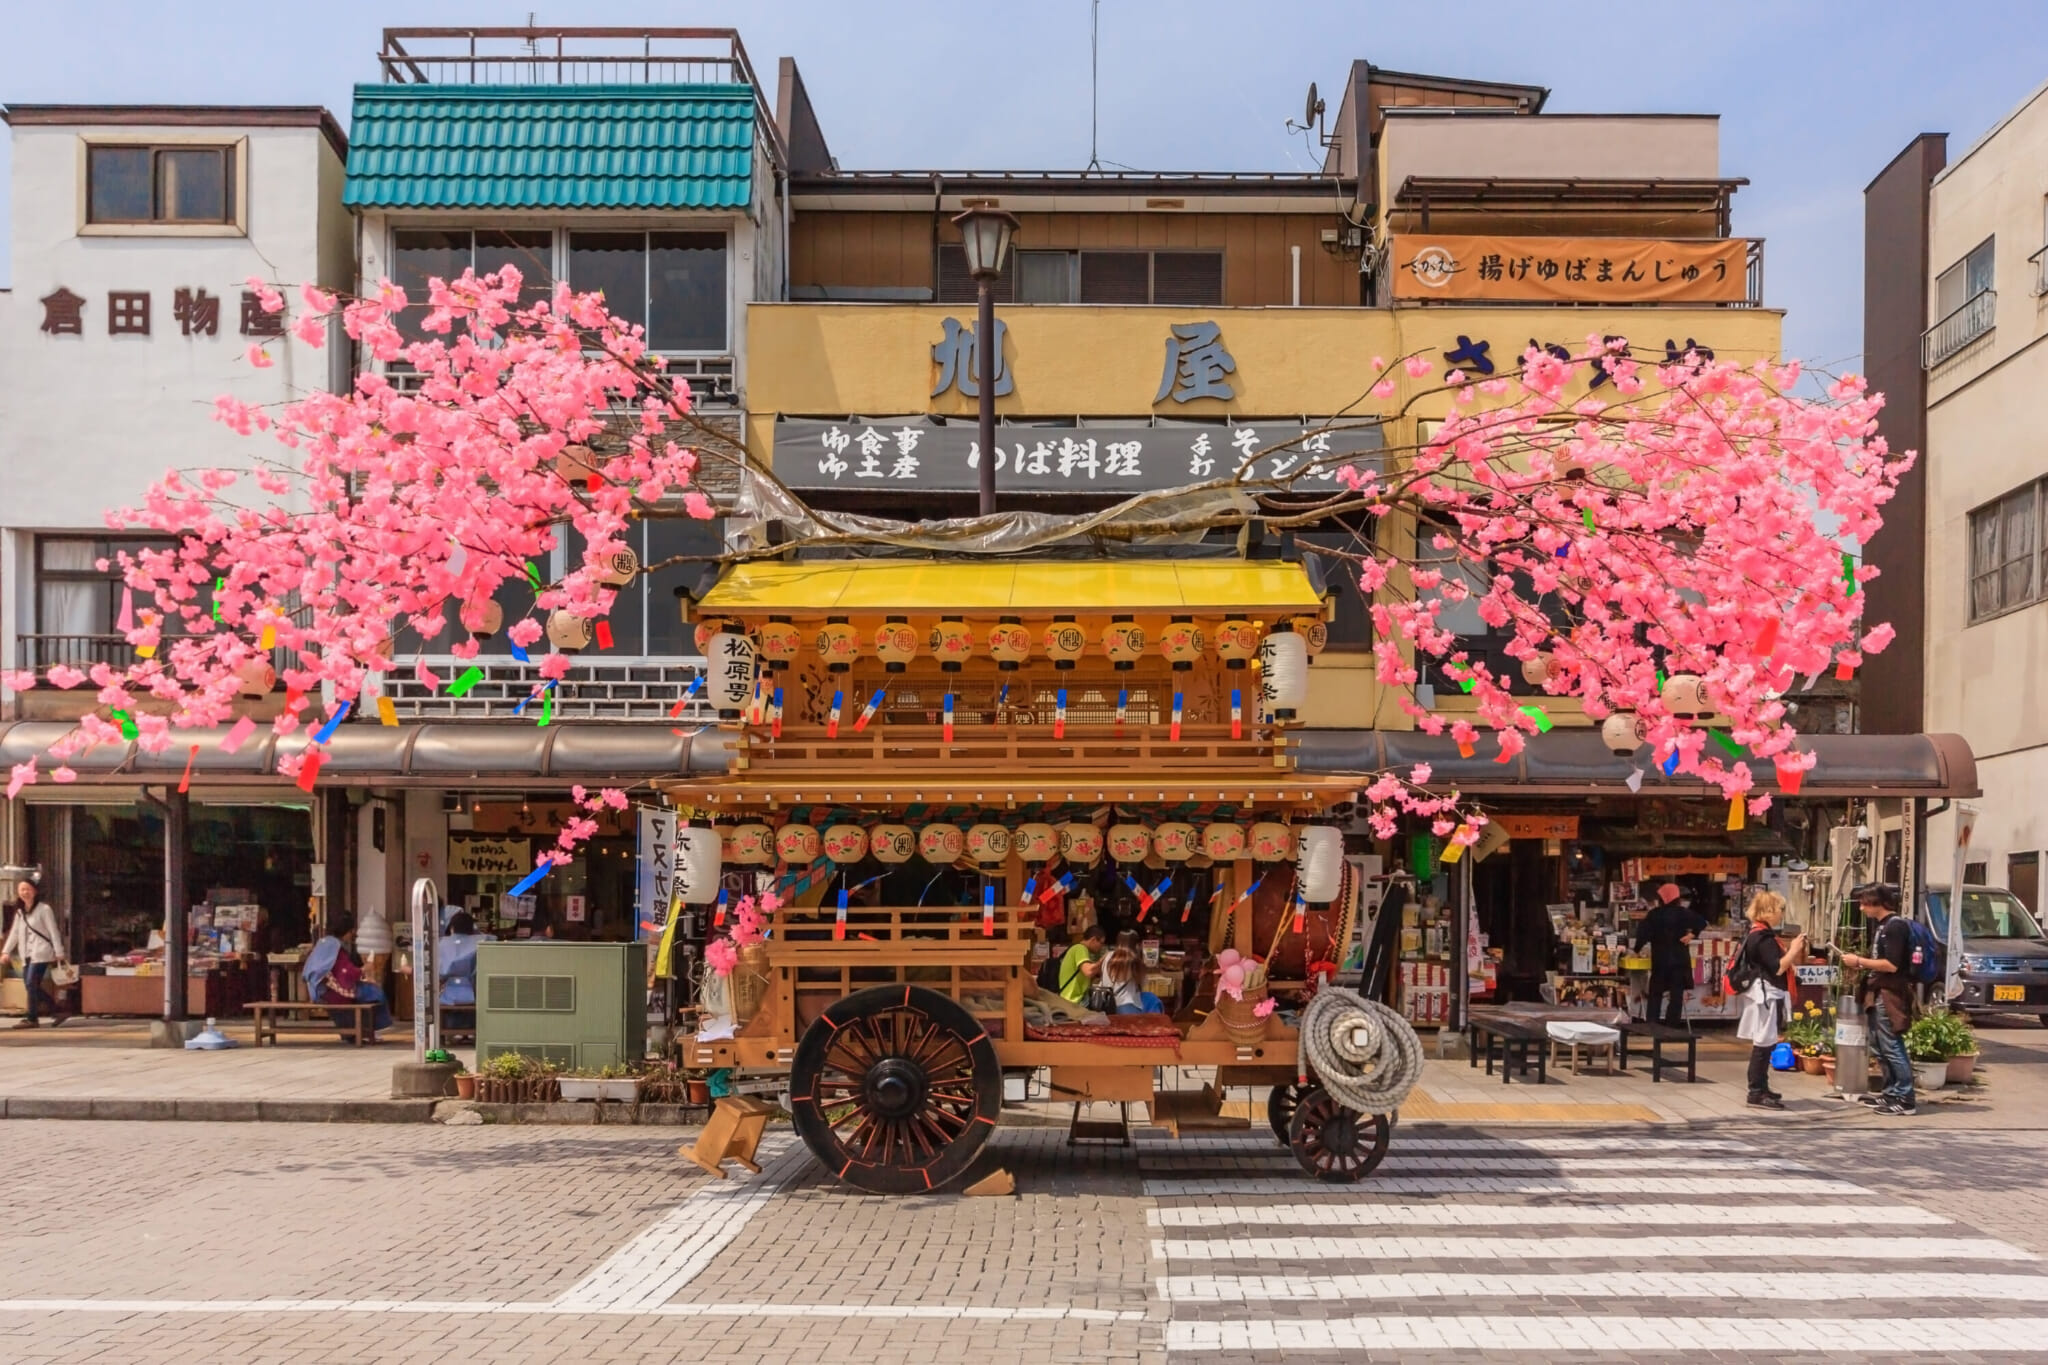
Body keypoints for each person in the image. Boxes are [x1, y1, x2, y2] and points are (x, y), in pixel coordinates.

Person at [1840, 884, 1917, 1115]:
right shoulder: (1882, 926)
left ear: (1877, 903)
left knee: (1891, 1044)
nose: (1862, 908)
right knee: (1879, 1044)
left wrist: (1859, 961)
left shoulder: (1895, 927)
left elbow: (1892, 965)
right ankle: (1891, 1092)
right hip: (1877, 991)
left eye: (1865, 903)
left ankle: (1905, 1098)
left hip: (1890, 992)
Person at [1734, 889, 1805, 1109]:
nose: (1782, 914)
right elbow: (1777, 967)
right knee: (1763, 1043)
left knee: (1767, 1042)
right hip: (1765, 993)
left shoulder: (1757, 933)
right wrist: (1793, 950)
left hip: (1765, 993)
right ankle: (1756, 1091)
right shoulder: (1761, 937)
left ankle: (1762, 1088)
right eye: (1780, 909)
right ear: (1769, 911)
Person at [302, 915, 392, 1041]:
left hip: (322, 989)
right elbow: (346, 973)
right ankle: (368, 1030)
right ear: (345, 931)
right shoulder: (336, 948)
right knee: (374, 992)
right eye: (351, 931)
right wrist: (364, 969)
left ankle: (358, 1031)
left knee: (367, 991)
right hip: (334, 992)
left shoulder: (323, 943)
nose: (352, 934)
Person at [1634, 882, 1707, 1028]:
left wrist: (1636, 950)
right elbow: (1701, 922)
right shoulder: (1683, 912)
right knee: (1676, 995)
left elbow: (1642, 934)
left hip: (1660, 960)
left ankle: (1652, 1024)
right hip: (1679, 959)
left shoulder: (1654, 915)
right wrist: (1692, 935)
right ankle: (1671, 1025)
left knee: (1656, 993)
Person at [2, 880, 68, 1027]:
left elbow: (53, 931)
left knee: (31, 982)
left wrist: (59, 952)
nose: (25, 892)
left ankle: (32, 1018)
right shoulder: (20, 912)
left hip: (41, 952)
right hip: (26, 953)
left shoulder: (44, 909)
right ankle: (57, 1010)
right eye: (22, 890)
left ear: (35, 891)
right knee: (30, 985)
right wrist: (6, 951)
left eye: (28, 889)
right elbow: (14, 933)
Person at [436, 911, 493, 1030]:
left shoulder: (440, 943)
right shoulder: (484, 940)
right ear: (472, 928)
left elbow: (439, 973)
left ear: (451, 928)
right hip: (475, 991)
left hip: (447, 993)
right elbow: (494, 939)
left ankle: (450, 1030)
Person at [1101, 946, 1163, 1014]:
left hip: (1106, 1003)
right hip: (1127, 1005)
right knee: (1152, 1000)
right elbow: (1143, 981)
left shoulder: (1108, 957)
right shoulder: (1131, 959)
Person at [1057, 924, 1108, 1004]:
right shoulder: (1080, 948)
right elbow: (1088, 971)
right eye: (1101, 943)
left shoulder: (1078, 950)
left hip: (1071, 999)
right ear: (1093, 940)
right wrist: (1105, 958)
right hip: (1073, 1000)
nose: (1101, 947)